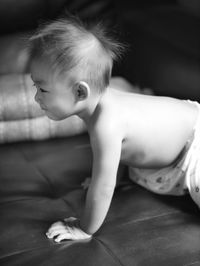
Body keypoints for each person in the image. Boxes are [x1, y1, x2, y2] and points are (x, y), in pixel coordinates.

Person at [29, 15, 200, 242]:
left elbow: (103, 187)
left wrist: (84, 228)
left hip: (194, 142)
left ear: (80, 93)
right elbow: (115, 155)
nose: (35, 97)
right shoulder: (99, 108)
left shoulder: (106, 124)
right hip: (184, 133)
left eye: (43, 90)